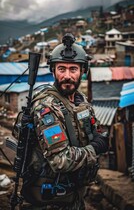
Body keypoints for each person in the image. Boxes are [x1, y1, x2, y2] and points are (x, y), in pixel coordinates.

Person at [14, 33, 108, 210]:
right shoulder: (46, 108)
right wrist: (95, 147)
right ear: (53, 71)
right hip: (51, 202)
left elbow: (91, 133)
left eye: (73, 69)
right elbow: (60, 160)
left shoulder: (81, 101)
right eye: (61, 69)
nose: (67, 76)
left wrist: (97, 137)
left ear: (82, 71)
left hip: (73, 196)